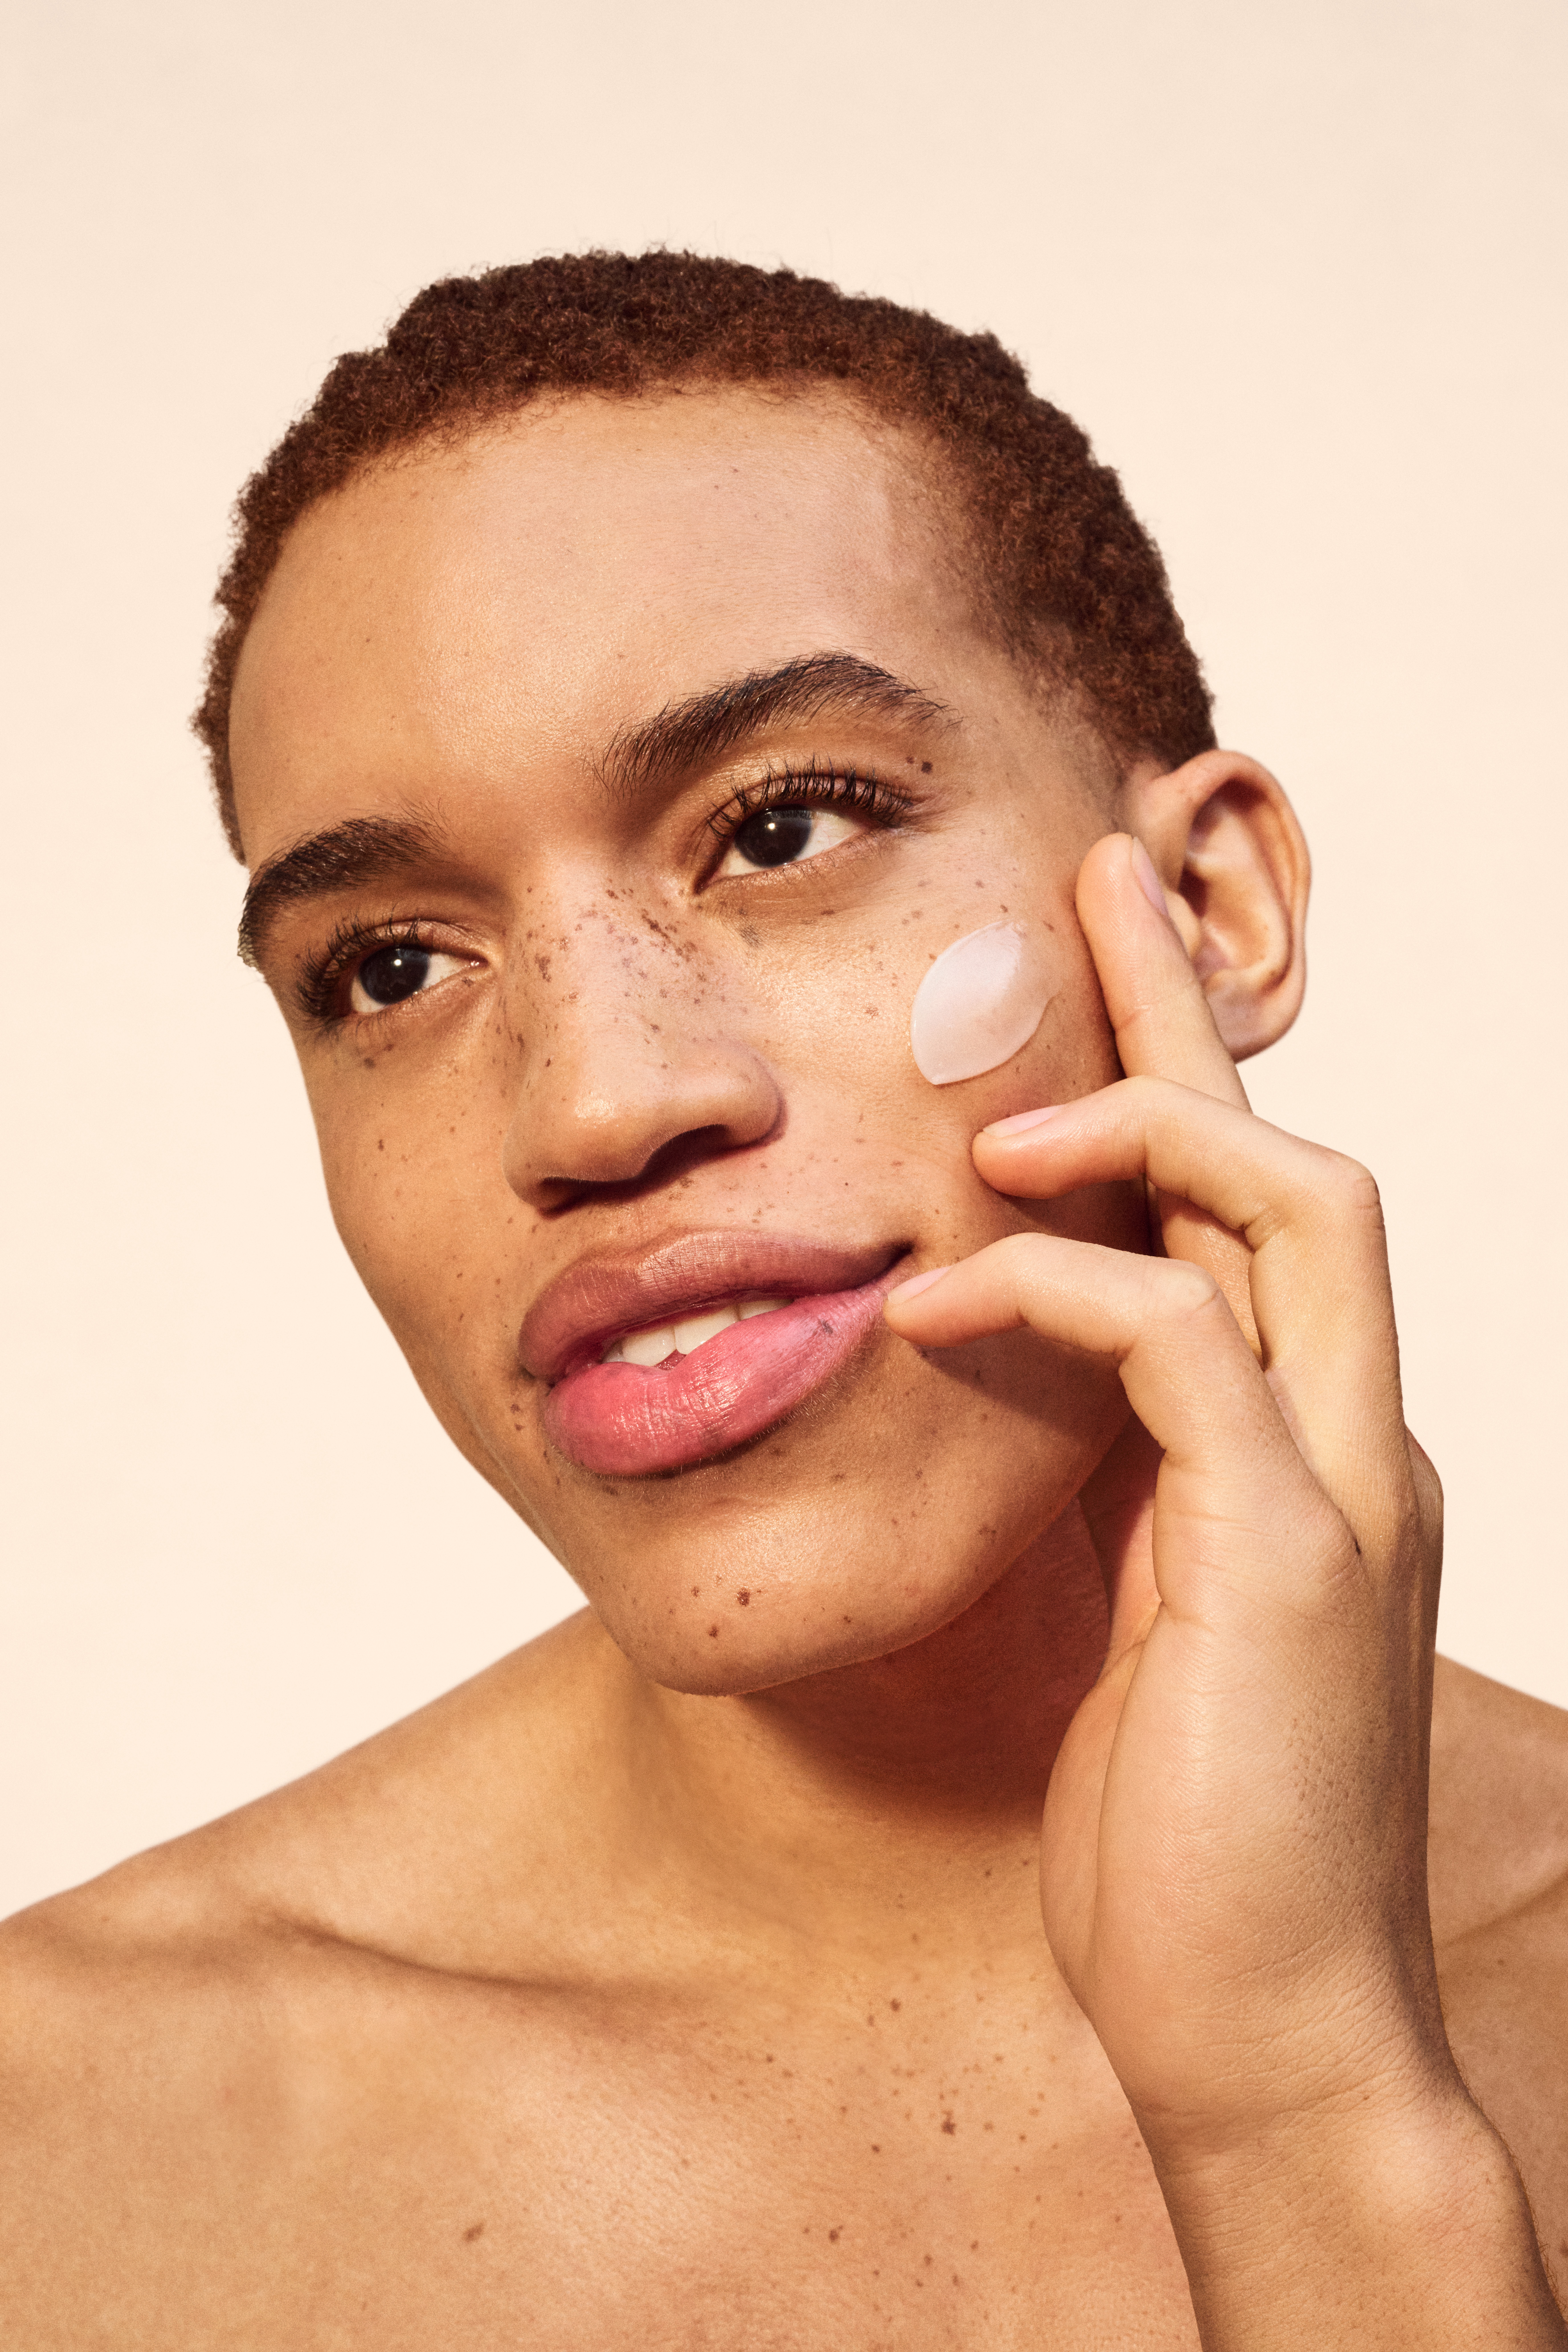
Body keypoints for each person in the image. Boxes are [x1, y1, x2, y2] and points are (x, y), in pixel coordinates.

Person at [3, 250, 1566, 2349]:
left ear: (1211, 912)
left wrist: (1310, 2112)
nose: (596, 1102)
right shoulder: (67, 2153)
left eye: (781, 828)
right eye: (391, 967)